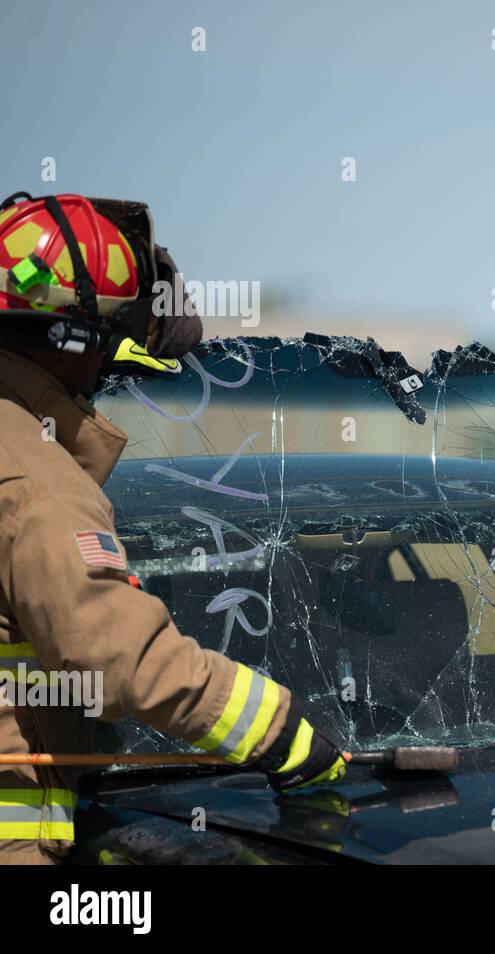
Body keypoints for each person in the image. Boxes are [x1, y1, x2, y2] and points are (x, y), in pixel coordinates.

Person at [0, 192, 345, 864]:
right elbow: (111, 652)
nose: (106, 375)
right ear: (72, 342)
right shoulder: (33, 477)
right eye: (110, 351)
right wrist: (280, 732)